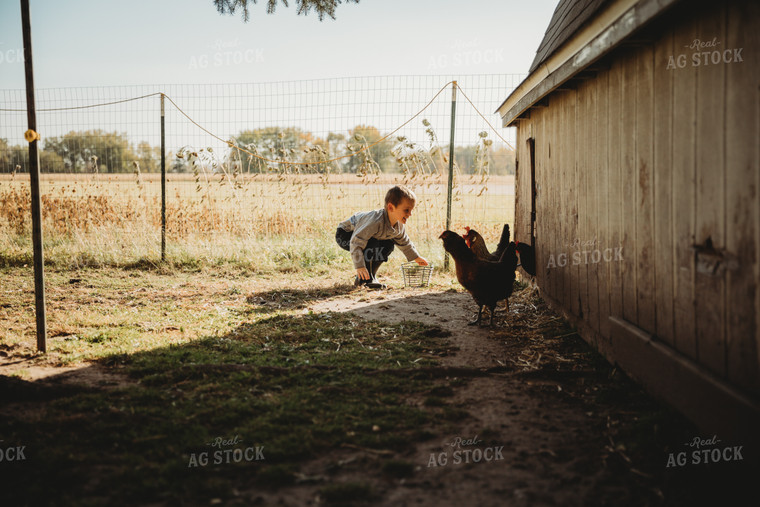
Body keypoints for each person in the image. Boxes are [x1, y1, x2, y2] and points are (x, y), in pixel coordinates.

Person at [336, 185, 429, 289]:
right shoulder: (375, 222)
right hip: (346, 234)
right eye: (406, 210)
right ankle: (364, 279)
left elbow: (404, 242)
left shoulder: (399, 225)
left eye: (411, 210)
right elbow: (356, 242)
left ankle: (371, 276)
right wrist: (360, 266)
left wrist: (416, 257)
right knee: (371, 244)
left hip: (364, 238)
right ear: (390, 207)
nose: (410, 214)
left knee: (388, 244)